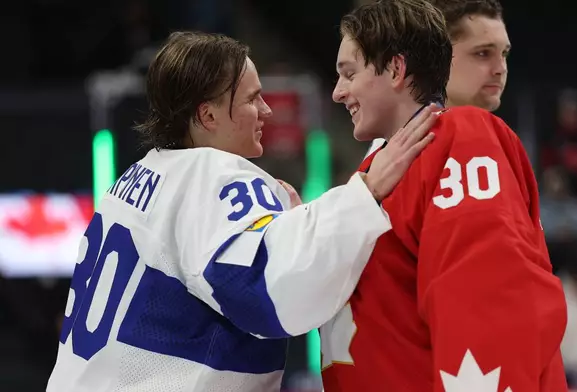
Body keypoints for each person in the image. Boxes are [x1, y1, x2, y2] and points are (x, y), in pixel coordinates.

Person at [46, 31, 439, 392]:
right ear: (208, 116)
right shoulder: (214, 175)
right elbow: (272, 292)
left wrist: (300, 225)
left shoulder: (135, 177)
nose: (266, 110)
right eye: (252, 99)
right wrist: (364, 193)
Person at [320, 1, 568, 391]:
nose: (336, 92)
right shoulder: (377, 170)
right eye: (482, 52)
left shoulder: (462, 137)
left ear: (398, 69)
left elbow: (489, 306)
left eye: (349, 73)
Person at [366, 0, 510, 155]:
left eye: (504, 54)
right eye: (483, 53)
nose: (501, 69)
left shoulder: (505, 146)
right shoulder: (398, 150)